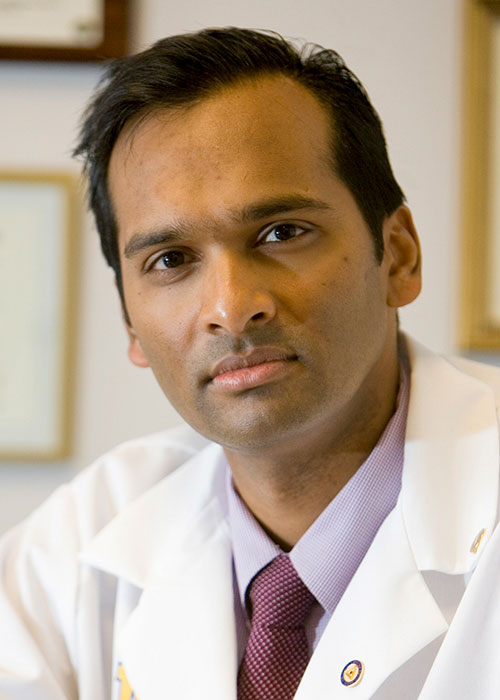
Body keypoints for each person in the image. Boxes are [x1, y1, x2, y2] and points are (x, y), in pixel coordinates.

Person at [1, 26, 500, 700]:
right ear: (130, 323)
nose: (232, 309)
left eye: (281, 232)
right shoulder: (78, 544)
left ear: (399, 257)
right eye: (170, 260)